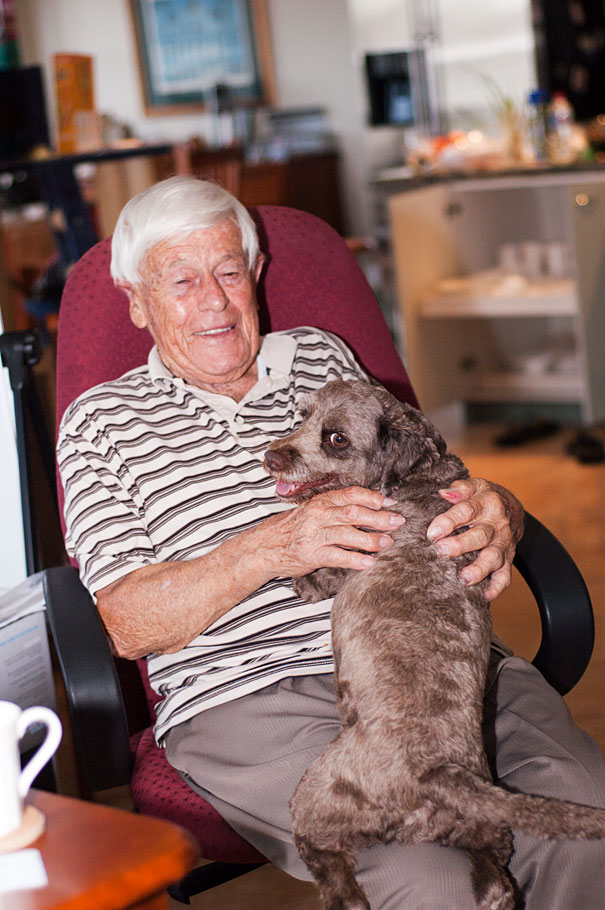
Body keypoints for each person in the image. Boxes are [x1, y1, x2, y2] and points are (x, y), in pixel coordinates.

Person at [58, 176, 605, 908]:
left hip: (442, 664)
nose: (214, 301)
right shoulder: (103, 421)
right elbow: (123, 623)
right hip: (256, 692)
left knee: (585, 827)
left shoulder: (321, 355)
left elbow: (433, 482)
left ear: (255, 274)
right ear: (136, 300)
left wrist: (497, 508)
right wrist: (272, 548)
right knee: (432, 880)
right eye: (181, 280)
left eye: (227, 271)